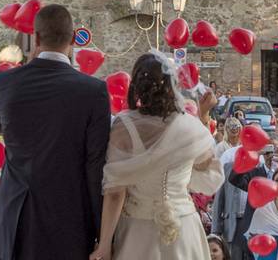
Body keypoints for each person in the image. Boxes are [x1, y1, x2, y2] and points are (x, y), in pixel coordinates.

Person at [0, 4, 111, 260]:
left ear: (36, 37)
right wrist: (101, 228)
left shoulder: (3, 83)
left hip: (13, 219)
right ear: (73, 39)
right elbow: (94, 166)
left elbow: (7, 134)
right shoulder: (93, 91)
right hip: (68, 222)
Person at [89, 51, 224, 260]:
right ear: (172, 86)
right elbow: (207, 168)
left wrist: (104, 244)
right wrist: (203, 118)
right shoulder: (189, 126)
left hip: (137, 229)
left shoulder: (123, 126)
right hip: (183, 226)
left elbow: (115, 192)